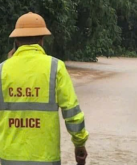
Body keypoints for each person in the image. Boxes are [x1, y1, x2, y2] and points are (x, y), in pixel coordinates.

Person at [0, 12, 89, 164]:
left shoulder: (2, 70)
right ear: (42, 40)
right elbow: (73, 114)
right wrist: (79, 144)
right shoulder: (55, 67)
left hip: (9, 159)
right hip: (46, 159)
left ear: (16, 40)